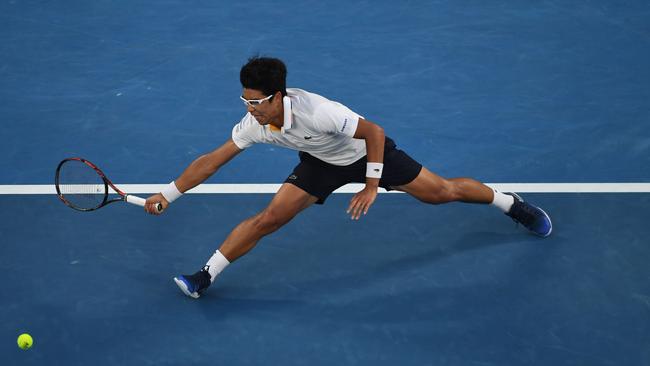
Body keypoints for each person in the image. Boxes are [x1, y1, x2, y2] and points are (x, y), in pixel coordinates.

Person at [144, 57, 552, 299]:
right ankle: (205, 276)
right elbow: (212, 161)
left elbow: (373, 132)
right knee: (270, 218)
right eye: (245, 101)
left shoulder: (319, 110)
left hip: (367, 153)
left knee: (440, 193)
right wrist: (168, 194)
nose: (251, 109)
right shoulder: (255, 124)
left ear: (279, 95)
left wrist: (372, 183)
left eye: (257, 102)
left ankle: (508, 202)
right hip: (320, 163)